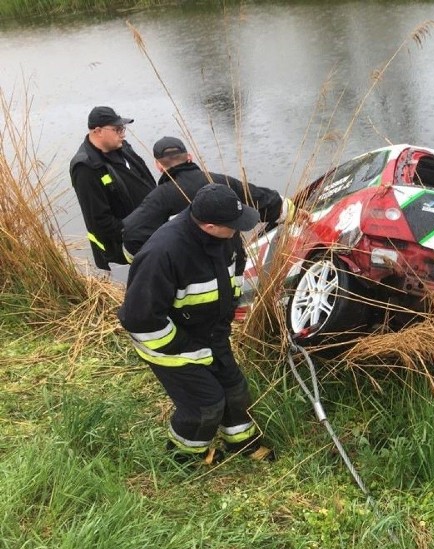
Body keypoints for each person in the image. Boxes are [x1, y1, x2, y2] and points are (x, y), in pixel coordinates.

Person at [118, 183, 274, 466]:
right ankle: (184, 458)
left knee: (235, 390)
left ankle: (243, 444)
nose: (240, 230)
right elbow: (140, 320)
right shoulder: (162, 253)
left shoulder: (227, 237)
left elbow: (235, 270)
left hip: (211, 332)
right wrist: (187, 350)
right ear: (211, 226)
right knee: (206, 404)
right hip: (168, 344)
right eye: (234, 225)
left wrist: (231, 308)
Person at [121, 136, 283, 259]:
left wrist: (153, 260)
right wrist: (290, 212)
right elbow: (267, 201)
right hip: (228, 261)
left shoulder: (158, 198)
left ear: (158, 166)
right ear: (189, 157)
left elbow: (132, 235)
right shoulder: (220, 182)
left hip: (187, 270)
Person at [70, 106, 156, 270]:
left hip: (150, 229)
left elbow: (146, 179)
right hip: (126, 243)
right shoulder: (85, 167)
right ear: (98, 131)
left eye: (123, 128)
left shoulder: (122, 146)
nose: (123, 133)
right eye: (117, 129)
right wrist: (139, 230)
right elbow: (100, 221)